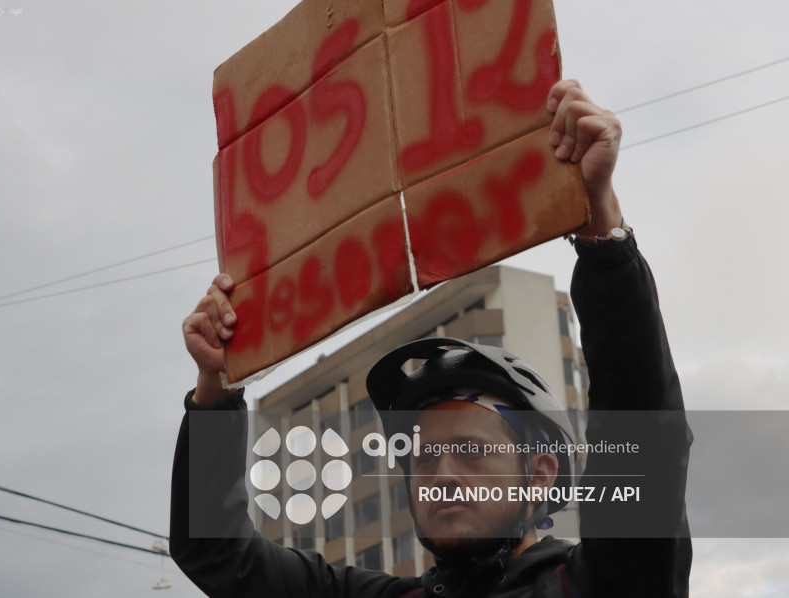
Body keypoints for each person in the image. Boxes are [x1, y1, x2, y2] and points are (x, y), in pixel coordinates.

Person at [172, 80, 692, 597]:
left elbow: (642, 417)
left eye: (469, 450)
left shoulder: (602, 584)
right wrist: (216, 387)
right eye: (421, 457)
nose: (440, 474)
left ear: (539, 474)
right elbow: (216, 552)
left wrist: (601, 230)